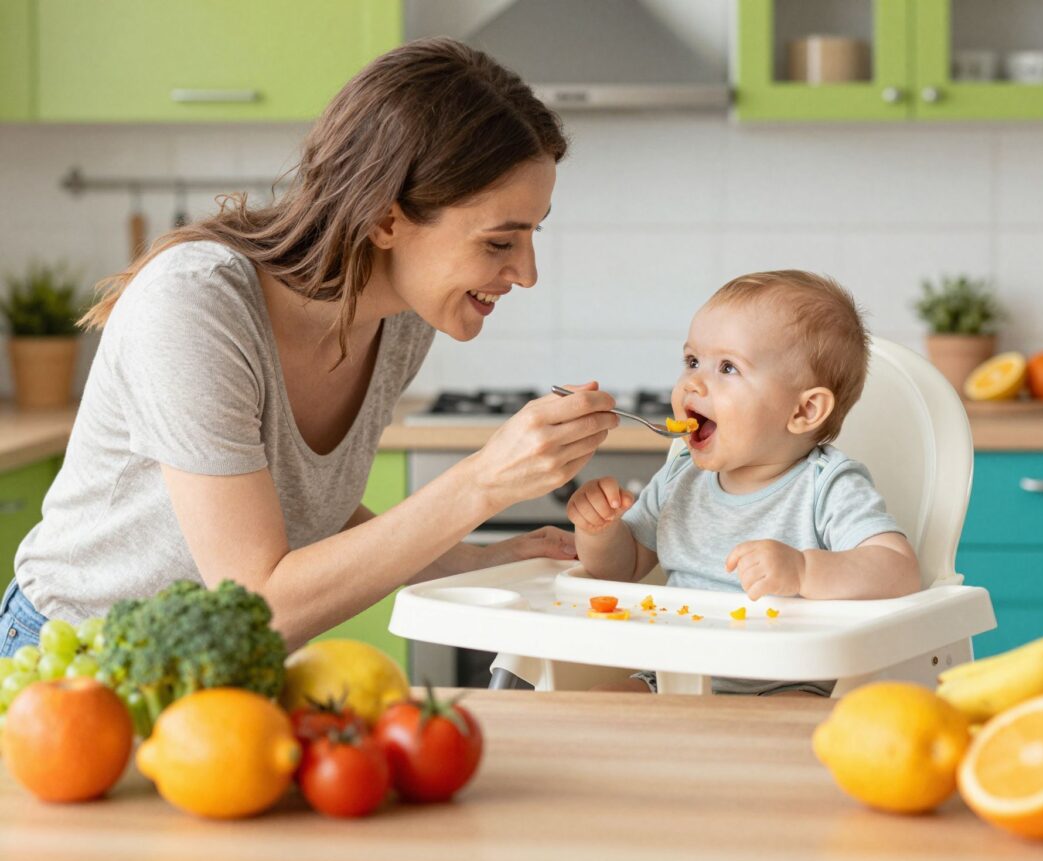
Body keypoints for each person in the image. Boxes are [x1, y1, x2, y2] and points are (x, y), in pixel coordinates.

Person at [1, 38, 620, 657]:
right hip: (72, 660)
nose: (528, 273)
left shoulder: (402, 319)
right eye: (498, 242)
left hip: (213, 675)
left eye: (531, 234)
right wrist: (483, 483)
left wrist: (471, 562)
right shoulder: (196, 306)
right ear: (385, 220)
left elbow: (301, 508)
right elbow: (256, 608)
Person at [566, 271, 921, 696]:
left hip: (788, 684)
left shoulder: (827, 485)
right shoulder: (681, 474)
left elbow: (898, 570)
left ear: (805, 411)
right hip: (672, 678)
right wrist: (599, 531)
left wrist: (803, 570)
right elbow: (620, 570)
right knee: (595, 705)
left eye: (728, 367)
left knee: (796, 729)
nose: (692, 382)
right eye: (692, 361)